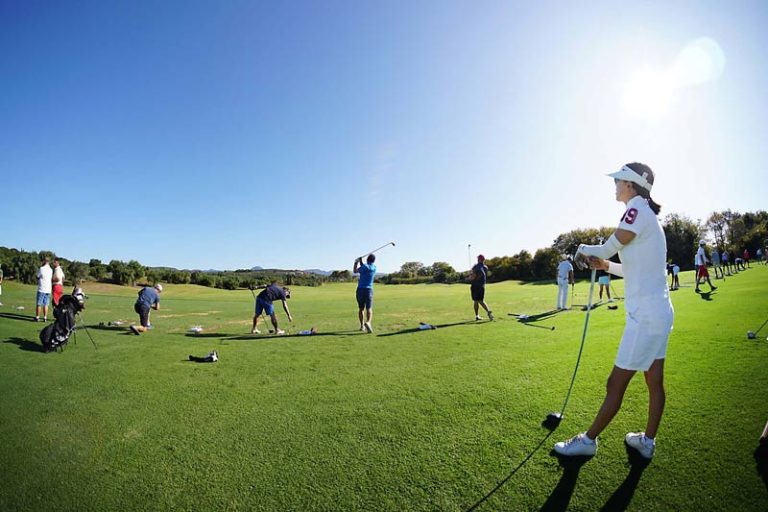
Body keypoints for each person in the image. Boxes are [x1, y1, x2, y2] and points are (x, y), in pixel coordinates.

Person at [554, 162, 674, 460]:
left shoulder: (635, 210)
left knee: (615, 383)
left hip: (645, 317)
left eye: (619, 180)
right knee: (654, 381)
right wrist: (607, 266)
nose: (615, 184)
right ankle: (647, 443)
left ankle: (588, 440)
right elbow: (633, 268)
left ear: (631, 184)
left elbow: (606, 247)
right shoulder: (645, 215)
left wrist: (584, 250)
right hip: (658, 313)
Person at [354, 254, 376, 332]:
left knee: (361, 308)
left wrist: (356, 262)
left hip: (360, 290)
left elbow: (355, 271)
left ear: (367, 259)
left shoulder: (363, 267)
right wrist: (360, 261)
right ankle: (368, 322)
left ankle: (362, 326)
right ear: (373, 260)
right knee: (369, 308)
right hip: (369, 290)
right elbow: (365, 267)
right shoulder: (374, 267)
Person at [469, 254, 494, 321]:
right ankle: (478, 315)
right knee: (478, 301)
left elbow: (473, 277)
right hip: (482, 286)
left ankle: (488, 312)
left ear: (479, 259)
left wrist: (470, 275)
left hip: (475, 286)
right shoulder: (485, 267)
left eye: (478, 259)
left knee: (478, 301)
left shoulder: (476, 267)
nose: (477, 260)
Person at [35, 256, 53, 322]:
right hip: (48, 289)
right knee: (46, 304)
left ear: (44, 261)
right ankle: (45, 317)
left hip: (41, 288)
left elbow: (37, 276)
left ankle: (37, 317)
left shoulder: (41, 268)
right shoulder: (51, 270)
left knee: (39, 304)